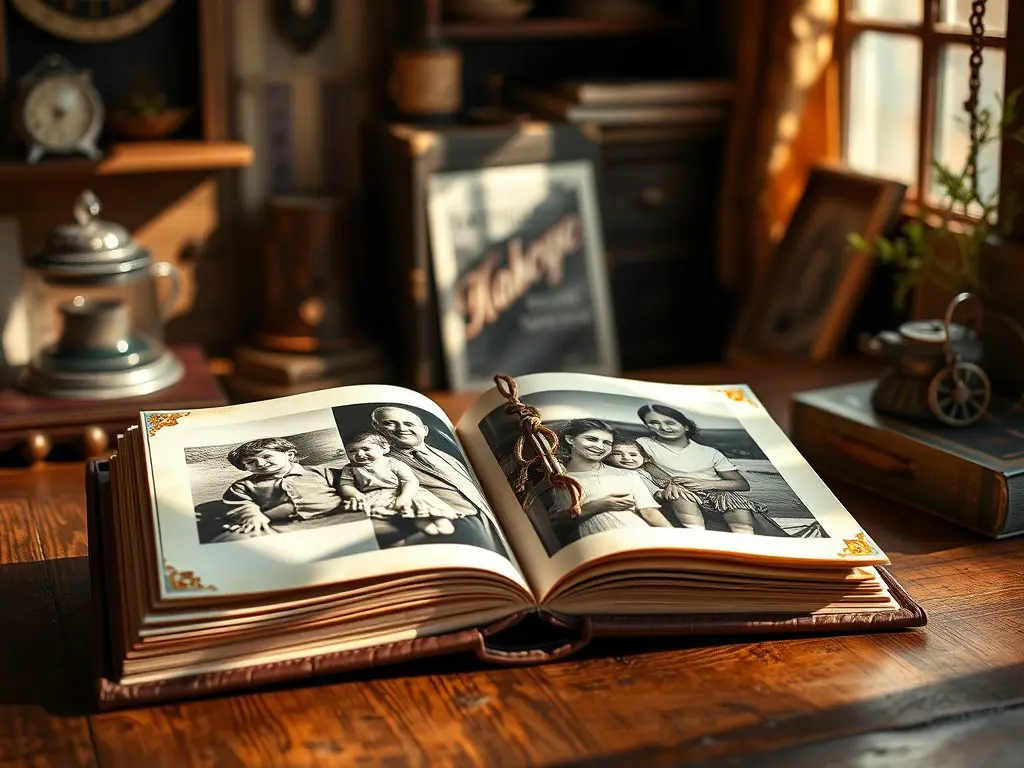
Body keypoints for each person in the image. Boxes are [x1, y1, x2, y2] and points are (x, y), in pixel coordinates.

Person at [370, 405, 508, 554]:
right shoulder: (379, 464)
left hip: (487, 524)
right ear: (376, 429)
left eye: (409, 424)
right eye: (389, 423)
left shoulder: (451, 458)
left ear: (424, 430)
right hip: (443, 531)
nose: (401, 428)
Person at [635, 403, 788, 536]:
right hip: (677, 491)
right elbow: (645, 464)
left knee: (732, 501)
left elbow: (741, 484)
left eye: (670, 422)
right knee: (681, 496)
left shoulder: (709, 452)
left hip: (714, 490)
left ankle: (743, 539)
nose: (663, 427)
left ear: (686, 426)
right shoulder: (644, 443)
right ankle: (697, 536)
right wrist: (670, 482)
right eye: (654, 423)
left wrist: (706, 484)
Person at [550, 419, 673, 543]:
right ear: (570, 439)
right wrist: (597, 506)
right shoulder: (559, 480)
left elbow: (650, 514)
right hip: (595, 542)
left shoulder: (626, 474)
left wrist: (677, 539)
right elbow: (555, 523)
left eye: (607, 442)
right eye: (592, 439)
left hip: (639, 535)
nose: (600, 447)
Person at [336, 431, 462, 536]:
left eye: (366, 449)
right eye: (352, 451)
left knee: (419, 499)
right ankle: (420, 521)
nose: (359, 454)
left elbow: (410, 480)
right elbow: (346, 485)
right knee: (384, 508)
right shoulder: (350, 468)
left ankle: (440, 519)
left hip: (402, 490)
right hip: (376, 494)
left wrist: (404, 496)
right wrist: (356, 494)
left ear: (384, 448)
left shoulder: (392, 463)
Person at [221, 437, 348, 536]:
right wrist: (252, 516)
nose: (260, 463)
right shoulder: (242, 486)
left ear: (289, 455)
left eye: (266, 456)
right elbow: (240, 504)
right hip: (283, 524)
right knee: (237, 536)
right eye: (250, 461)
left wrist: (355, 496)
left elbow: (346, 485)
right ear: (244, 466)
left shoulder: (321, 471)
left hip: (337, 514)